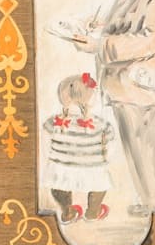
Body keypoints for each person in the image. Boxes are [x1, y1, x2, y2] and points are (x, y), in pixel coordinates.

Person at [70, 0, 155, 216]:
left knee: (151, 148)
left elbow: (153, 38)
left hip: (143, 87)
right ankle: (152, 202)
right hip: (131, 87)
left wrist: (100, 44)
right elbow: (134, 26)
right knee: (137, 147)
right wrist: (102, 29)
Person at [42, 72, 113, 223]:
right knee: (99, 185)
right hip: (91, 166)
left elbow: (46, 128)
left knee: (59, 186)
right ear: (89, 98)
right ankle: (93, 212)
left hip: (61, 166)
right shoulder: (99, 123)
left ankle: (68, 212)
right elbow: (110, 134)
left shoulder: (55, 121)